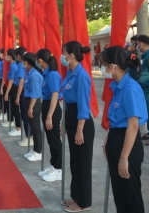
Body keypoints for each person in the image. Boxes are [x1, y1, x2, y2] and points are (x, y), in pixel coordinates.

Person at [100, 46, 147, 213]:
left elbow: (133, 125)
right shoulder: (117, 86)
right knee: (119, 193)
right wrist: (107, 141)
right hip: (116, 138)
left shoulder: (130, 88)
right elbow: (115, 120)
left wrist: (124, 158)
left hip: (128, 144)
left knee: (130, 196)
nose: (103, 68)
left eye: (104, 64)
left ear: (113, 65)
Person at [60, 41, 95, 212]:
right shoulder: (70, 72)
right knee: (75, 162)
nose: (62, 56)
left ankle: (84, 202)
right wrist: (64, 122)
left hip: (82, 123)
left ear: (71, 55)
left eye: (64, 53)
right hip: (71, 119)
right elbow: (65, 97)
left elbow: (83, 105)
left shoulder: (82, 76)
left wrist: (80, 129)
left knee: (82, 163)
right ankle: (76, 196)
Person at [36, 48, 63, 182]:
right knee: (50, 139)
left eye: (38, 61)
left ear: (41, 60)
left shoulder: (52, 75)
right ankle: (53, 165)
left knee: (54, 139)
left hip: (52, 108)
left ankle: (59, 169)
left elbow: (55, 96)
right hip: (46, 105)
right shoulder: (47, 73)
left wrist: (49, 116)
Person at [22, 52, 43, 162]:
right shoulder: (29, 72)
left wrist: (30, 108)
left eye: (23, 62)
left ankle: (38, 151)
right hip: (29, 101)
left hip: (33, 103)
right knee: (32, 126)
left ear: (26, 62)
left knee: (36, 128)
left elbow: (35, 93)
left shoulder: (34, 75)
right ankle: (35, 149)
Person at [15, 47, 32, 147]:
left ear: (19, 56)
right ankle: (28, 136)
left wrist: (17, 96)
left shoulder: (22, 65)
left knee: (25, 116)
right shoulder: (25, 64)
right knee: (25, 115)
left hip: (24, 92)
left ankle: (30, 136)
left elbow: (21, 81)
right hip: (26, 92)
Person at [3, 49, 21, 136]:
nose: (6, 57)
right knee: (13, 108)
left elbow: (11, 80)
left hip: (14, 88)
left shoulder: (14, 66)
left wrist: (7, 93)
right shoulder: (12, 65)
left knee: (15, 108)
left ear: (10, 56)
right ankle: (17, 127)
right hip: (12, 87)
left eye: (7, 55)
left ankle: (18, 128)